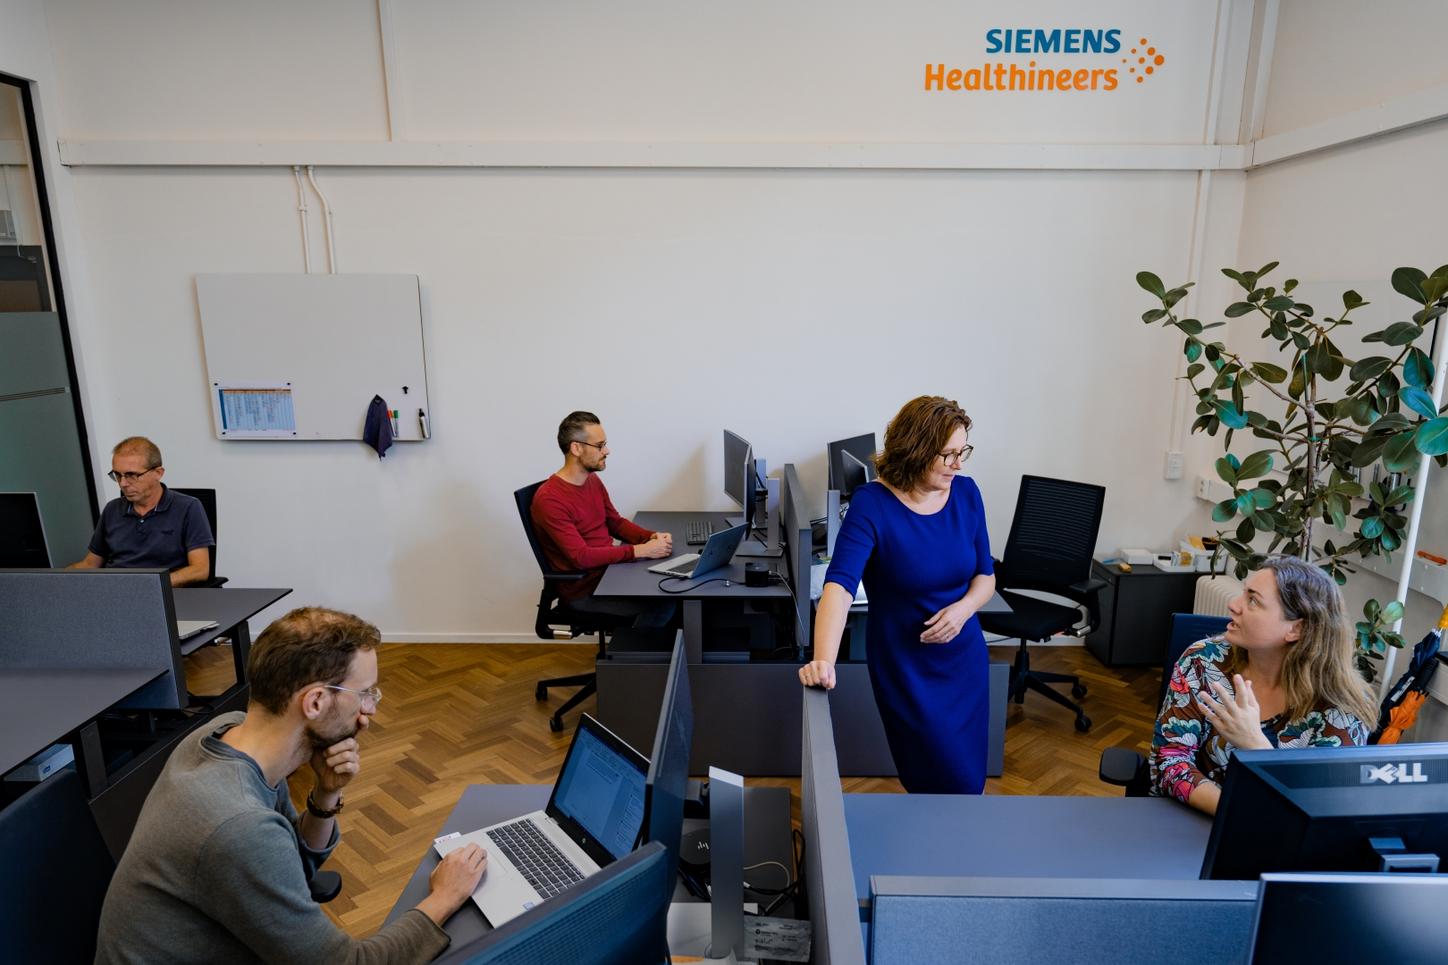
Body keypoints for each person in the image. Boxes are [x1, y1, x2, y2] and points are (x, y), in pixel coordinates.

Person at [94, 607, 488, 964]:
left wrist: (326, 793)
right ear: (315, 702)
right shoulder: (238, 825)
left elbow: (291, 866)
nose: (369, 712)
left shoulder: (224, 734)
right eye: (365, 694)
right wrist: (444, 898)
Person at [798, 396, 997, 794]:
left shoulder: (967, 493)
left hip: (964, 662)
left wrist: (962, 611)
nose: (959, 464)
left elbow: (985, 578)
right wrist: (823, 660)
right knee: (931, 777)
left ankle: (947, 854)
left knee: (969, 782)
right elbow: (838, 585)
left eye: (963, 452)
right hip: (905, 669)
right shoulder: (872, 504)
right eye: (948, 455)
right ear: (917, 450)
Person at [1150, 557, 1378, 816]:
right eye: (1243, 593)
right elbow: (1169, 760)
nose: (1233, 605)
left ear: (1296, 629)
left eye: (1253, 600)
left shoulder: (1341, 711)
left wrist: (1256, 745)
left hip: (1279, 845)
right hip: (1193, 818)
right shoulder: (1203, 661)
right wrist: (1236, 813)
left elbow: (1318, 808)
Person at [530, 411, 674, 627]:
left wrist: (649, 537)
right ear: (576, 448)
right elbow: (581, 557)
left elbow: (614, 522)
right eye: (600, 446)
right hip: (586, 591)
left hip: (609, 575)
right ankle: (639, 658)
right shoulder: (550, 499)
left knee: (672, 588)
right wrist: (639, 551)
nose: (607, 451)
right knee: (663, 605)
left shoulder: (591, 480)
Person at [69, 436, 213, 586]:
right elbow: (91, 564)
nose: (123, 484)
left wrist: (150, 585)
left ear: (158, 473)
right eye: (117, 475)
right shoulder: (112, 509)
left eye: (132, 475)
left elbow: (200, 570)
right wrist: (53, 580)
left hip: (162, 592)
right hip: (115, 591)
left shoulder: (188, 507)